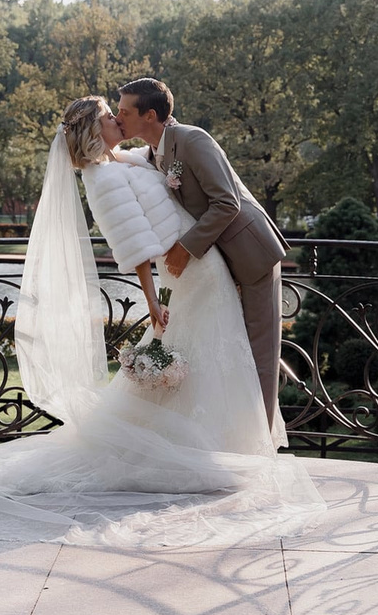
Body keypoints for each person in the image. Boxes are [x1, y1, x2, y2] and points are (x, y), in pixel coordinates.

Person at [0, 96, 321, 547]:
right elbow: (132, 248)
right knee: (210, 350)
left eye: (120, 113)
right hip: (191, 270)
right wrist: (152, 301)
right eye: (110, 117)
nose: (118, 119)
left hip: (204, 263)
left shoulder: (130, 158)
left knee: (212, 354)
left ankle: (217, 445)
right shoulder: (103, 177)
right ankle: (210, 451)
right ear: (96, 131)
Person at [115, 77, 289, 426]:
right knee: (229, 352)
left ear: (149, 115)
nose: (118, 118)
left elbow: (228, 203)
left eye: (123, 111)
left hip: (250, 256)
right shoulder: (152, 154)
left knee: (257, 356)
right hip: (215, 266)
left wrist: (185, 249)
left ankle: (259, 451)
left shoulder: (194, 140)